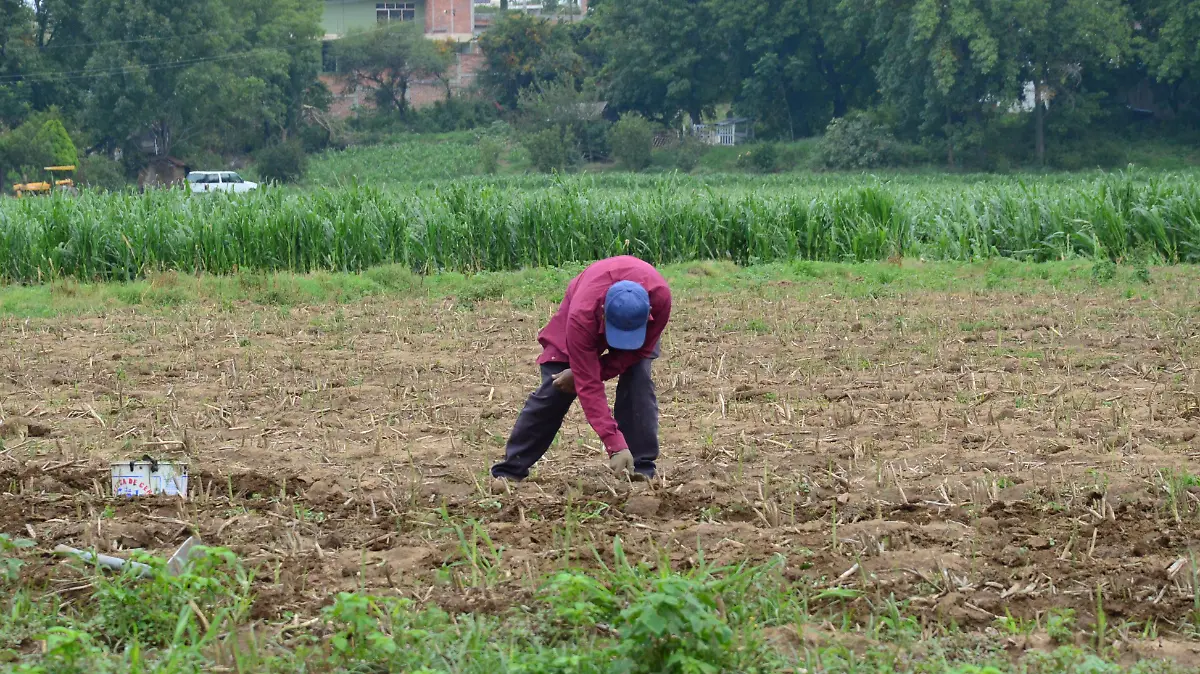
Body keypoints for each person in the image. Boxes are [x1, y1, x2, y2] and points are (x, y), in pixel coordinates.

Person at [490, 255, 672, 493]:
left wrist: (585, 373)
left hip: (635, 314)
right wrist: (614, 444)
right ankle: (510, 471)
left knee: (639, 380)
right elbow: (589, 387)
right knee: (556, 387)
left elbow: (636, 353)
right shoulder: (582, 314)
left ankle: (641, 467)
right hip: (585, 303)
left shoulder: (660, 300)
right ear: (603, 314)